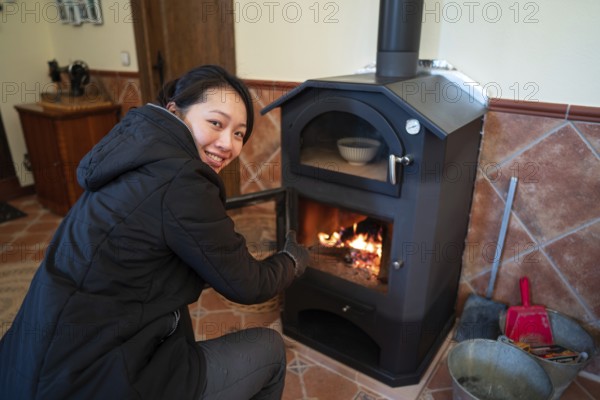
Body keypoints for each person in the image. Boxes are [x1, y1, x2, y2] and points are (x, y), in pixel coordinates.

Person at [0, 65, 309, 399]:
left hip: (31, 361)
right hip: (87, 380)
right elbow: (247, 284)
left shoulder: (137, 150)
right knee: (271, 350)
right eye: (216, 123)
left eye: (239, 133)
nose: (228, 144)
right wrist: (292, 260)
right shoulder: (181, 180)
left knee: (178, 323)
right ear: (175, 109)